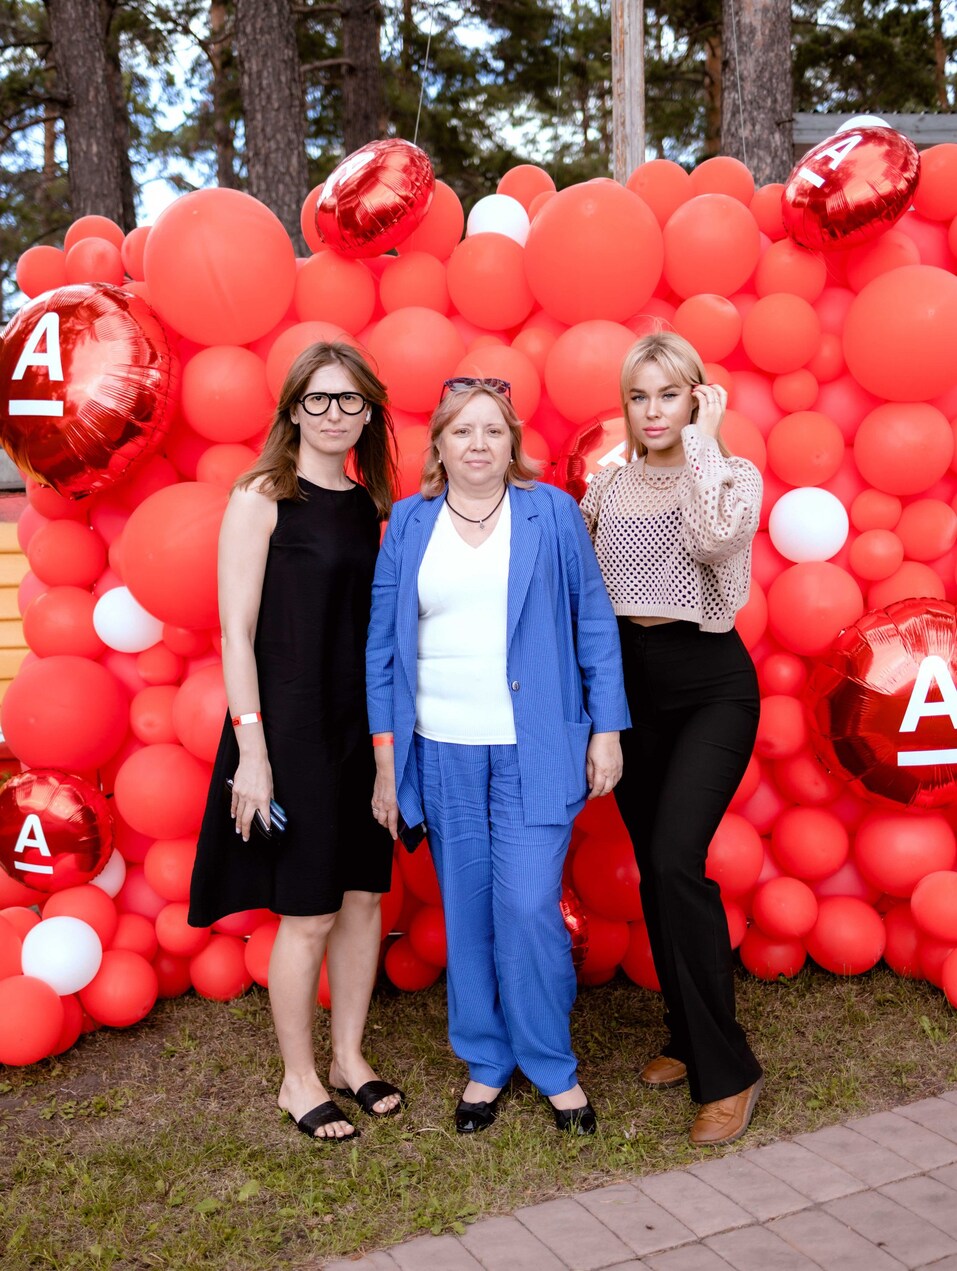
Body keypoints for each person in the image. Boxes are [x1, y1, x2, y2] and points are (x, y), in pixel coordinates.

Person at [366, 376, 629, 1137]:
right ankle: (485, 1060)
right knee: (469, 911)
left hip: (535, 747)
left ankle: (551, 1064)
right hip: (442, 751)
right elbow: (382, 649)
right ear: (439, 445)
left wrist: (604, 728)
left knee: (526, 908)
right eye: (461, 431)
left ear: (511, 441)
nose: (477, 444)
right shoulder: (409, 523)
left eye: (491, 430)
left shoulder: (549, 512)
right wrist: (388, 762)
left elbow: (591, 619)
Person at [189, 341, 403, 1144]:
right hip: (288, 729)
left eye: (351, 402)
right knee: (307, 912)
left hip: (358, 726)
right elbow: (235, 633)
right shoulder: (261, 497)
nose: (335, 415)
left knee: (363, 900)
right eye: (319, 400)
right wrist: (254, 751)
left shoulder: (366, 504)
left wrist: (386, 746)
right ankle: (298, 1077)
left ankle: (348, 1055)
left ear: (370, 412)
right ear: (291, 410)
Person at [580, 331, 764, 1148]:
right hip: (632, 689)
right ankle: (687, 1033)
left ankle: (730, 1070)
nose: (651, 411)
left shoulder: (729, 476)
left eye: (668, 394)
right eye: (638, 396)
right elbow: (586, 594)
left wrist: (701, 445)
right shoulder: (607, 488)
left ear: (696, 396)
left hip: (710, 687)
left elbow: (712, 542)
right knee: (658, 873)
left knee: (672, 861)